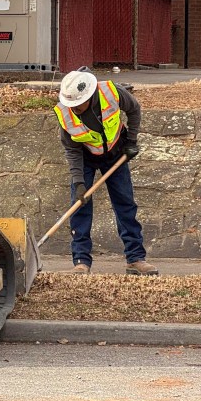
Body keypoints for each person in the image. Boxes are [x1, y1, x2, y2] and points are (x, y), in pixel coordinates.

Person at [53, 67, 158, 276]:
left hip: (116, 152)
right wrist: (79, 182)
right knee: (79, 205)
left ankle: (135, 258)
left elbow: (134, 109)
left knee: (125, 204)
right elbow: (72, 150)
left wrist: (132, 142)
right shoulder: (65, 113)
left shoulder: (111, 92)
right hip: (85, 157)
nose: (74, 109)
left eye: (77, 105)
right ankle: (81, 261)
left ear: (89, 96)